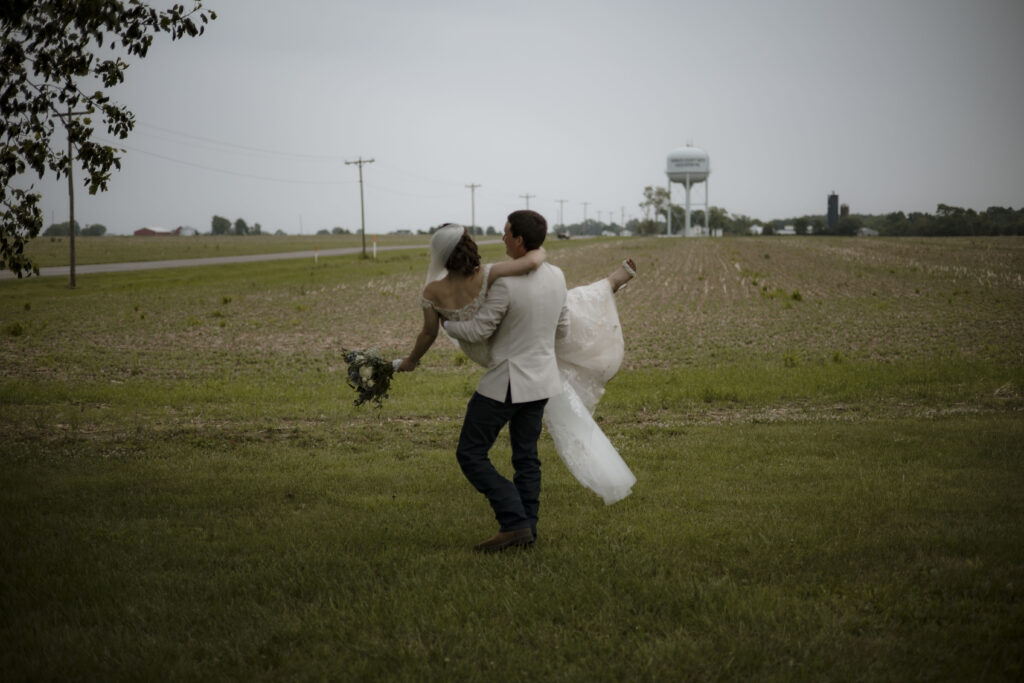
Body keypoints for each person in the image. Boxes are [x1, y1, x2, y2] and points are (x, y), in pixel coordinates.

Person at [398, 214, 637, 550]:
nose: (502, 238)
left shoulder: (503, 284)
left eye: (507, 233)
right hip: (543, 381)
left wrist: (448, 326)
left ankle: (513, 520)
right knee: (526, 458)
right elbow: (563, 328)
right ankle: (528, 531)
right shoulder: (556, 276)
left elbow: (481, 330)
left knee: (470, 453)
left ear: (520, 241)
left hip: (506, 381)